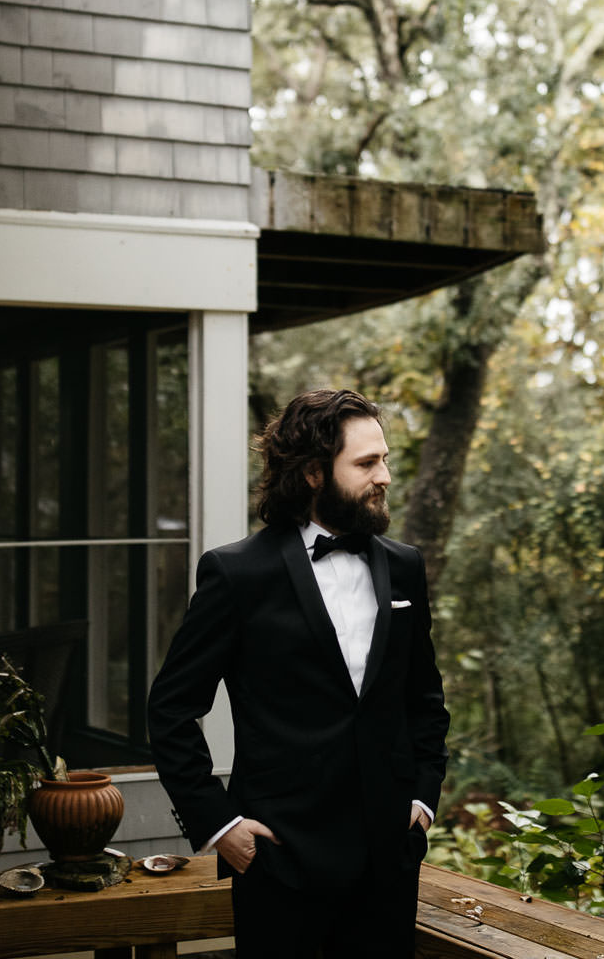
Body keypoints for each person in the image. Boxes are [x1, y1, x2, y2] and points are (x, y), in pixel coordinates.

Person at [147, 389, 450, 957]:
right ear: (313, 473)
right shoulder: (237, 574)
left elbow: (424, 699)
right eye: (366, 463)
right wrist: (219, 826)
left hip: (389, 865)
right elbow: (170, 710)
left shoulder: (405, 566)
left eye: (385, 459)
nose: (384, 475)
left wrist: (423, 801)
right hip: (280, 862)